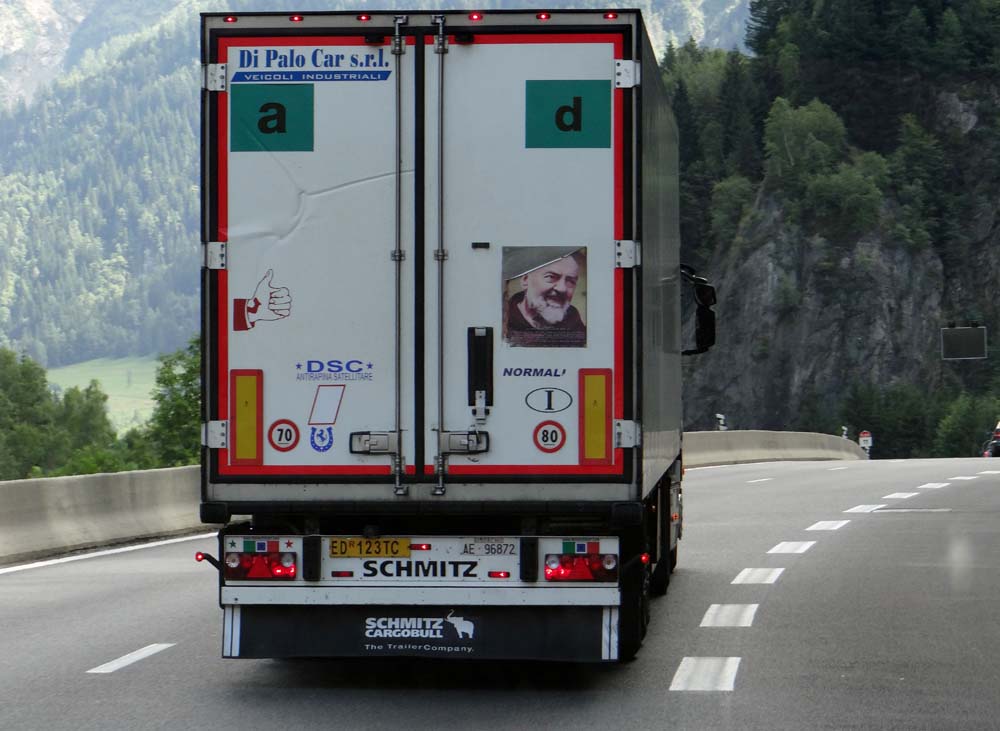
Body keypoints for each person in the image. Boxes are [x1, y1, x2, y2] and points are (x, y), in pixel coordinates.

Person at [505, 250, 585, 347]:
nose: (562, 288)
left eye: (570, 281)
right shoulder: (504, 321)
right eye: (550, 277)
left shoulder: (574, 323)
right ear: (525, 280)